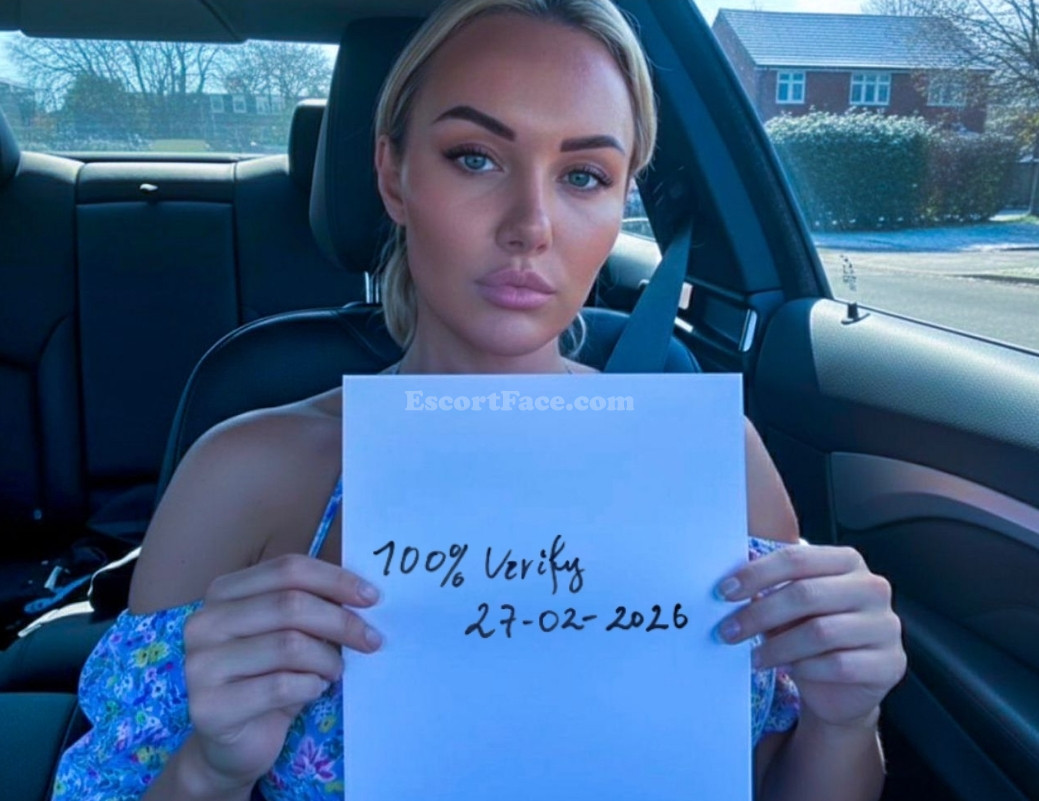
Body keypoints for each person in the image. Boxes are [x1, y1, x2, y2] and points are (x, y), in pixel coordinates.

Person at [52, 1, 907, 799]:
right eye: (475, 157)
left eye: (583, 175)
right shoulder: (249, 472)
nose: (530, 224)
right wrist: (208, 768)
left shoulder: (712, 460)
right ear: (392, 175)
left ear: (620, 205)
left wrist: (843, 715)